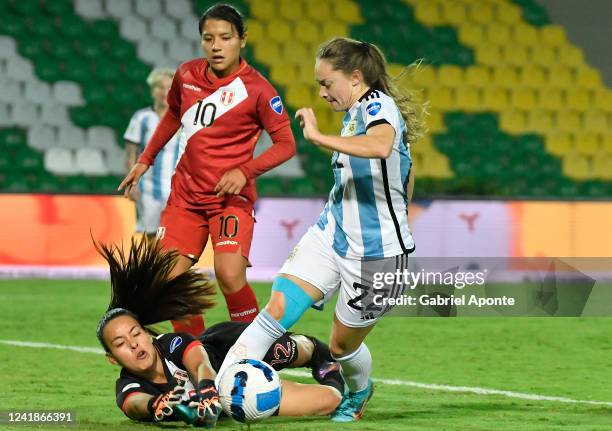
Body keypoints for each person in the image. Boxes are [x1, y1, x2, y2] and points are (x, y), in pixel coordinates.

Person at [216, 37, 425, 422]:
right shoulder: (354, 115)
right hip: (330, 235)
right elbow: (401, 172)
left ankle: (359, 391)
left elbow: (380, 147)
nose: (321, 92)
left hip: (377, 255)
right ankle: (221, 389)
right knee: (277, 308)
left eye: (327, 83)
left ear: (356, 77)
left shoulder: (378, 105)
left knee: (342, 346)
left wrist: (317, 137)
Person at [118, 4, 296, 336]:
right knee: (165, 280)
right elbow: (173, 115)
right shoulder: (186, 75)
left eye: (225, 38)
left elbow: (286, 143)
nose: (216, 46)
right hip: (185, 199)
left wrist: (245, 170)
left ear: (243, 39)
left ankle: (254, 352)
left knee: (229, 274)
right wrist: (146, 159)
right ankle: (197, 354)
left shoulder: (258, 90)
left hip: (230, 200)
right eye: (208, 38)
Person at [95, 237, 343, 426]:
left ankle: (318, 353)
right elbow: (133, 405)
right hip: (239, 390)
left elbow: (198, 359)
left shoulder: (169, 344)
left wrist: (205, 386)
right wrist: (155, 405)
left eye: (136, 334)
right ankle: (334, 379)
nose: (134, 344)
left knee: (285, 349)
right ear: (112, 358)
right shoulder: (128, 386)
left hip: (229, 347)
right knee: (331, 401)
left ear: (147, 334)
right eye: (120, 343)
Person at [124, 68, 184, 240]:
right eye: (159, 87)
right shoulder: (142, 118)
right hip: (147, 188)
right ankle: (153, 267)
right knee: (151, 236)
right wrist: (133, 183)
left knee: (173, 234)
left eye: (169, 87)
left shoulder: (183, 119)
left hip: (175, 188)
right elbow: (130, 153)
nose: (164, 92)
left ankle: (171, 268)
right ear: (152, 90)